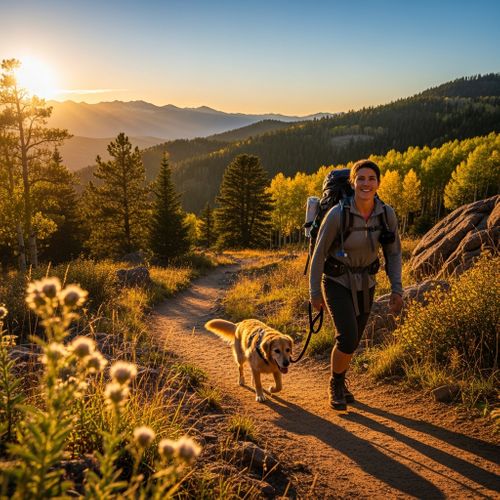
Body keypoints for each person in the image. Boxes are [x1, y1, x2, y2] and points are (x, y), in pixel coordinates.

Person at [309, 159, 403, 411]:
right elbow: (318, 255)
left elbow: (393, 254)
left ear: (378, 183)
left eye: (371, 178)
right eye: (361, 178)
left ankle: (340, 381)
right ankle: (336, 384)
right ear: (353, 183)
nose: (366, 183)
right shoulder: (338, 214)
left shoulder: (386, 215)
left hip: (367, 282)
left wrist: (397, 288)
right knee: (347, 337)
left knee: (354, 339)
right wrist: (314, 292)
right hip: (337, 281)